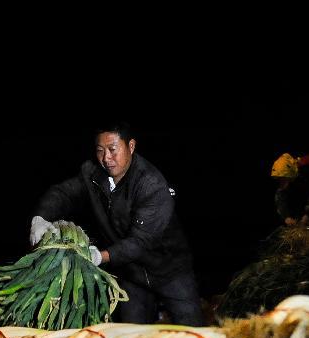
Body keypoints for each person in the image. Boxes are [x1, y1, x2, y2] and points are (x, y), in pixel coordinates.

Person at [28, 122, 206, 326]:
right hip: (132, 274)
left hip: (170, 270)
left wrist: (98, 256)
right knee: (130, 334)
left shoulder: (151, 183)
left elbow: (141, 241)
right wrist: (40, 218)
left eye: (113, 149)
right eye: (100, 150)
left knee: (193, 329)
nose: (106, 158)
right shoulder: (92, 173)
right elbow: (63, 193)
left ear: (130, 146)